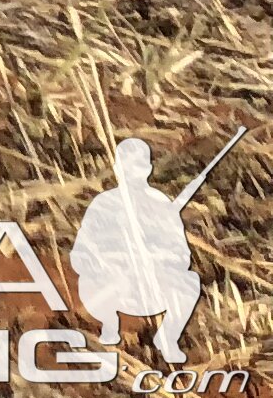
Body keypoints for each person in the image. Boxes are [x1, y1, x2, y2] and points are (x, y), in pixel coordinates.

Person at [71, 139, 204, 363]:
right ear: (116, 169)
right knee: (90, 284)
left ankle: (167, 338)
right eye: (126, 168)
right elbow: (80, 254)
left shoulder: (161, 204)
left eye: (138, 167)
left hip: (151, 286)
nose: (132, 174)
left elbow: (181, 256)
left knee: (189, 283)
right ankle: (109, 326)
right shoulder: (103, 204)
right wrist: (108, 262)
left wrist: (156, 257)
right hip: (111, 284)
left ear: (148, 170)